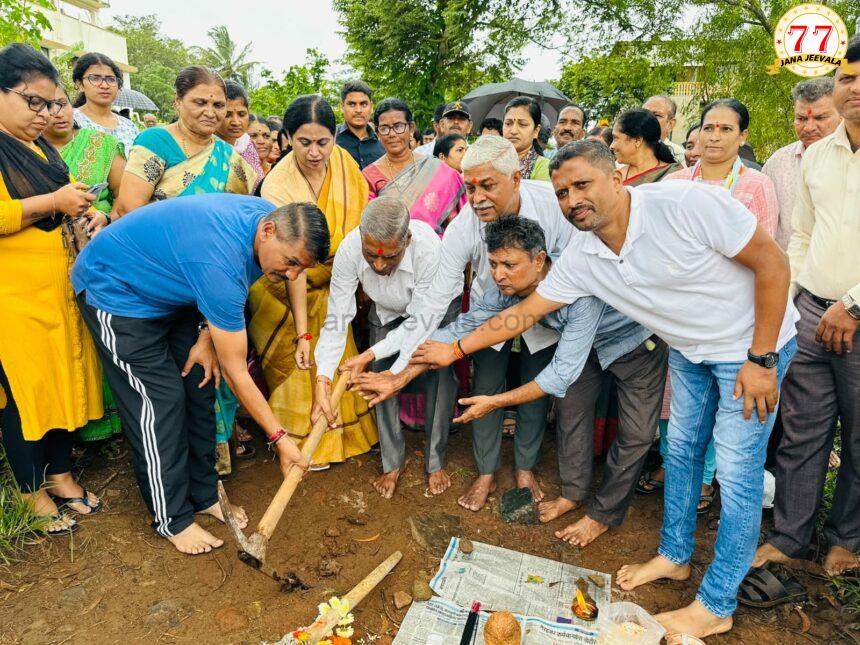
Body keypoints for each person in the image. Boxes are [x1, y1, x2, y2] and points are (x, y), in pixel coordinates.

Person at [436, 139, 798, 639]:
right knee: (684, 453)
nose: (572, 200)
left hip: (750, 347)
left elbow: (774, 263)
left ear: (618, 176)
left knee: (736, 477)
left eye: (582, 185)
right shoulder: (584, 254)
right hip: (690, 352)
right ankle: (674, 556)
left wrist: (761, 359)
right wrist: (452, 351)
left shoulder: (686, 204)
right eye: (562, 192)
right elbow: (524, 313)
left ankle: (717, 603)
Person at [374, 216, 665, 549]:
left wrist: (494, 402)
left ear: (539, 260)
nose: (498, 274)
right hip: (582, 352)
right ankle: (572, 495)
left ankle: (602, 516)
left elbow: (559, 374)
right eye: (494, 263)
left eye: (509, 265)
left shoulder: (578, 289)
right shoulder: (506, 289)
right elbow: (458, 330)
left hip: (634, 346)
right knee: (572, 418)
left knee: (637, 434)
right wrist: (400, 374)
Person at [73, 194, 328, 554]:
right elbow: (238, 372)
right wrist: (281, 440)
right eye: (288, 264)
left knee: (199, 384)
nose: (291, 275)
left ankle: (204, 494)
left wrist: (208, 332)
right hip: (117, 293)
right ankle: (172, 519)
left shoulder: (276, 223)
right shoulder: (220, 263)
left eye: (300, 268)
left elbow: (268, 273)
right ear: (268, 231)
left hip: (171, 291)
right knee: (159, 401)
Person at [347, 135, 574, 512]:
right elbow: (435, 304)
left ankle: (524, 468)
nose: (478, 197)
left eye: (488, 185)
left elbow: (568, 273)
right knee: (483, 389)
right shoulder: (464, 227)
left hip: (548, 314)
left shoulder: (552, 207)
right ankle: (486, 471)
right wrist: (400, 370)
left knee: (535, 389)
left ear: (516, 179)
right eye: (469, 187)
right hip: (488, 315)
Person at [751, 36, 860, 579]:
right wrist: (792, 302)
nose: (855, 88)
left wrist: (854, 304)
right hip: (812, 314)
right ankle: (790, 537)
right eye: (848, 77)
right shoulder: (816, 157)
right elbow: (801, 236)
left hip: (856, 315)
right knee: (801, 431)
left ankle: (845, 539)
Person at [0, 44, 104, 535]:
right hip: (12, 302)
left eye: (51, 103)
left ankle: (61, 475)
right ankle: (29, 491)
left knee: (62, 382)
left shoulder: (41, 150)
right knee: (24, 394)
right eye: (32, 102)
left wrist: (85, 210)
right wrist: (53, 201)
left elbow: (60, 205)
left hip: (57, 291)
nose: (44, 114)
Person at [250, 94, 378, 468]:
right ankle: (302, 445)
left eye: (323, 142)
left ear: (334, 138)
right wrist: (304, 331)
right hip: (285, 285)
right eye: (304, 142)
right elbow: (294, 263)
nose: (315, 152)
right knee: (300, 360)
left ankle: (346, 436)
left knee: (338, 353)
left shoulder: (346, 164)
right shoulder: (278, 183)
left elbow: (360, 225)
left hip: (337, 280)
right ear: (287, 138)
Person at [314, 196, 457, 497]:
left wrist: (383, 362)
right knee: (377, 375)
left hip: (435, 309)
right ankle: (393, 462)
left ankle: (435, 460)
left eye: (390, 257)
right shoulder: (351, 249)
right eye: (371, 255)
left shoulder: (429, 251)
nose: (379, 264)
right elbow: (337, 317)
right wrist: (323, 376)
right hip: (385, 308)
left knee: (436, 374)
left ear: (407, 239)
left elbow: (420, 324)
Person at [42, 87, 126, 447]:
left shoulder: (102, 144)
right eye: (45, 105)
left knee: (101, 329)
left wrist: (105, 214)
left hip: (97, 250)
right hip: (44, 259)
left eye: (60, 103)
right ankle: (68, 425)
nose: (56, 113)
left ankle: (111, 422)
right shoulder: (25, 151)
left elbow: (126, 197)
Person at [113, 66, 255, 216]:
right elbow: (129, 209)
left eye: (218, 105)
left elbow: (240, 211)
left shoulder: (226, 153)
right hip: (157, 236)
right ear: (178, 101)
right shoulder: (155, 141)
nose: (210, 113)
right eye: (200, 103)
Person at [362, 98, 466, 234]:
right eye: (384, 128)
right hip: (390, 251)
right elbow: (371, 225)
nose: (392, 134)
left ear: (411, 128)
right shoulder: (369, 176)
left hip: (436, 249)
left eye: (399, 126)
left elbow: (457, 224)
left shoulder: (439, 170)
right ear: (377, 133)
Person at [762, 77, 840, 250]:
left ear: (841, 116)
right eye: (801, 118)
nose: (809, 127)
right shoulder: (777, 163)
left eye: (820, 118)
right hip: (790, 270)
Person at [72, 52, 139, 152]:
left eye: (111, 79)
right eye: (95, 78)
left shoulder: (129, 126)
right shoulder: (70, 120)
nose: (104, 85)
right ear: (80, 84)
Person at [610, 108, 681, 185]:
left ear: (637, 140)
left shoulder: (674, 175)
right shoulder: (617, 177)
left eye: (615, 138)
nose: (611, 146)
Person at [217, 80, 264, 188]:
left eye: (242, 114)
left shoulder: (247, 145)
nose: (236, 122)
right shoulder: (208, 146)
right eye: (227, 115)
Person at [336, 80, 385, 169]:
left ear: (371, 107)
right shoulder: (330, 140)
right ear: (342, 107)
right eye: (352, 104)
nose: (358, 110)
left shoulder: (383, 142)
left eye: (363, 104)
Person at [503, 97, 550, 181]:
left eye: (522, 124)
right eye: (508, 123)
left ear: (536, 131)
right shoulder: (491, 163)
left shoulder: (545, 167)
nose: (513, 131)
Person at [642, 94, 686, 167]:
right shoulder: (626, 151)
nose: (647, 119)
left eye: (657, 115)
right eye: (644, 114)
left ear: (670, 124)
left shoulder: (680, 156)